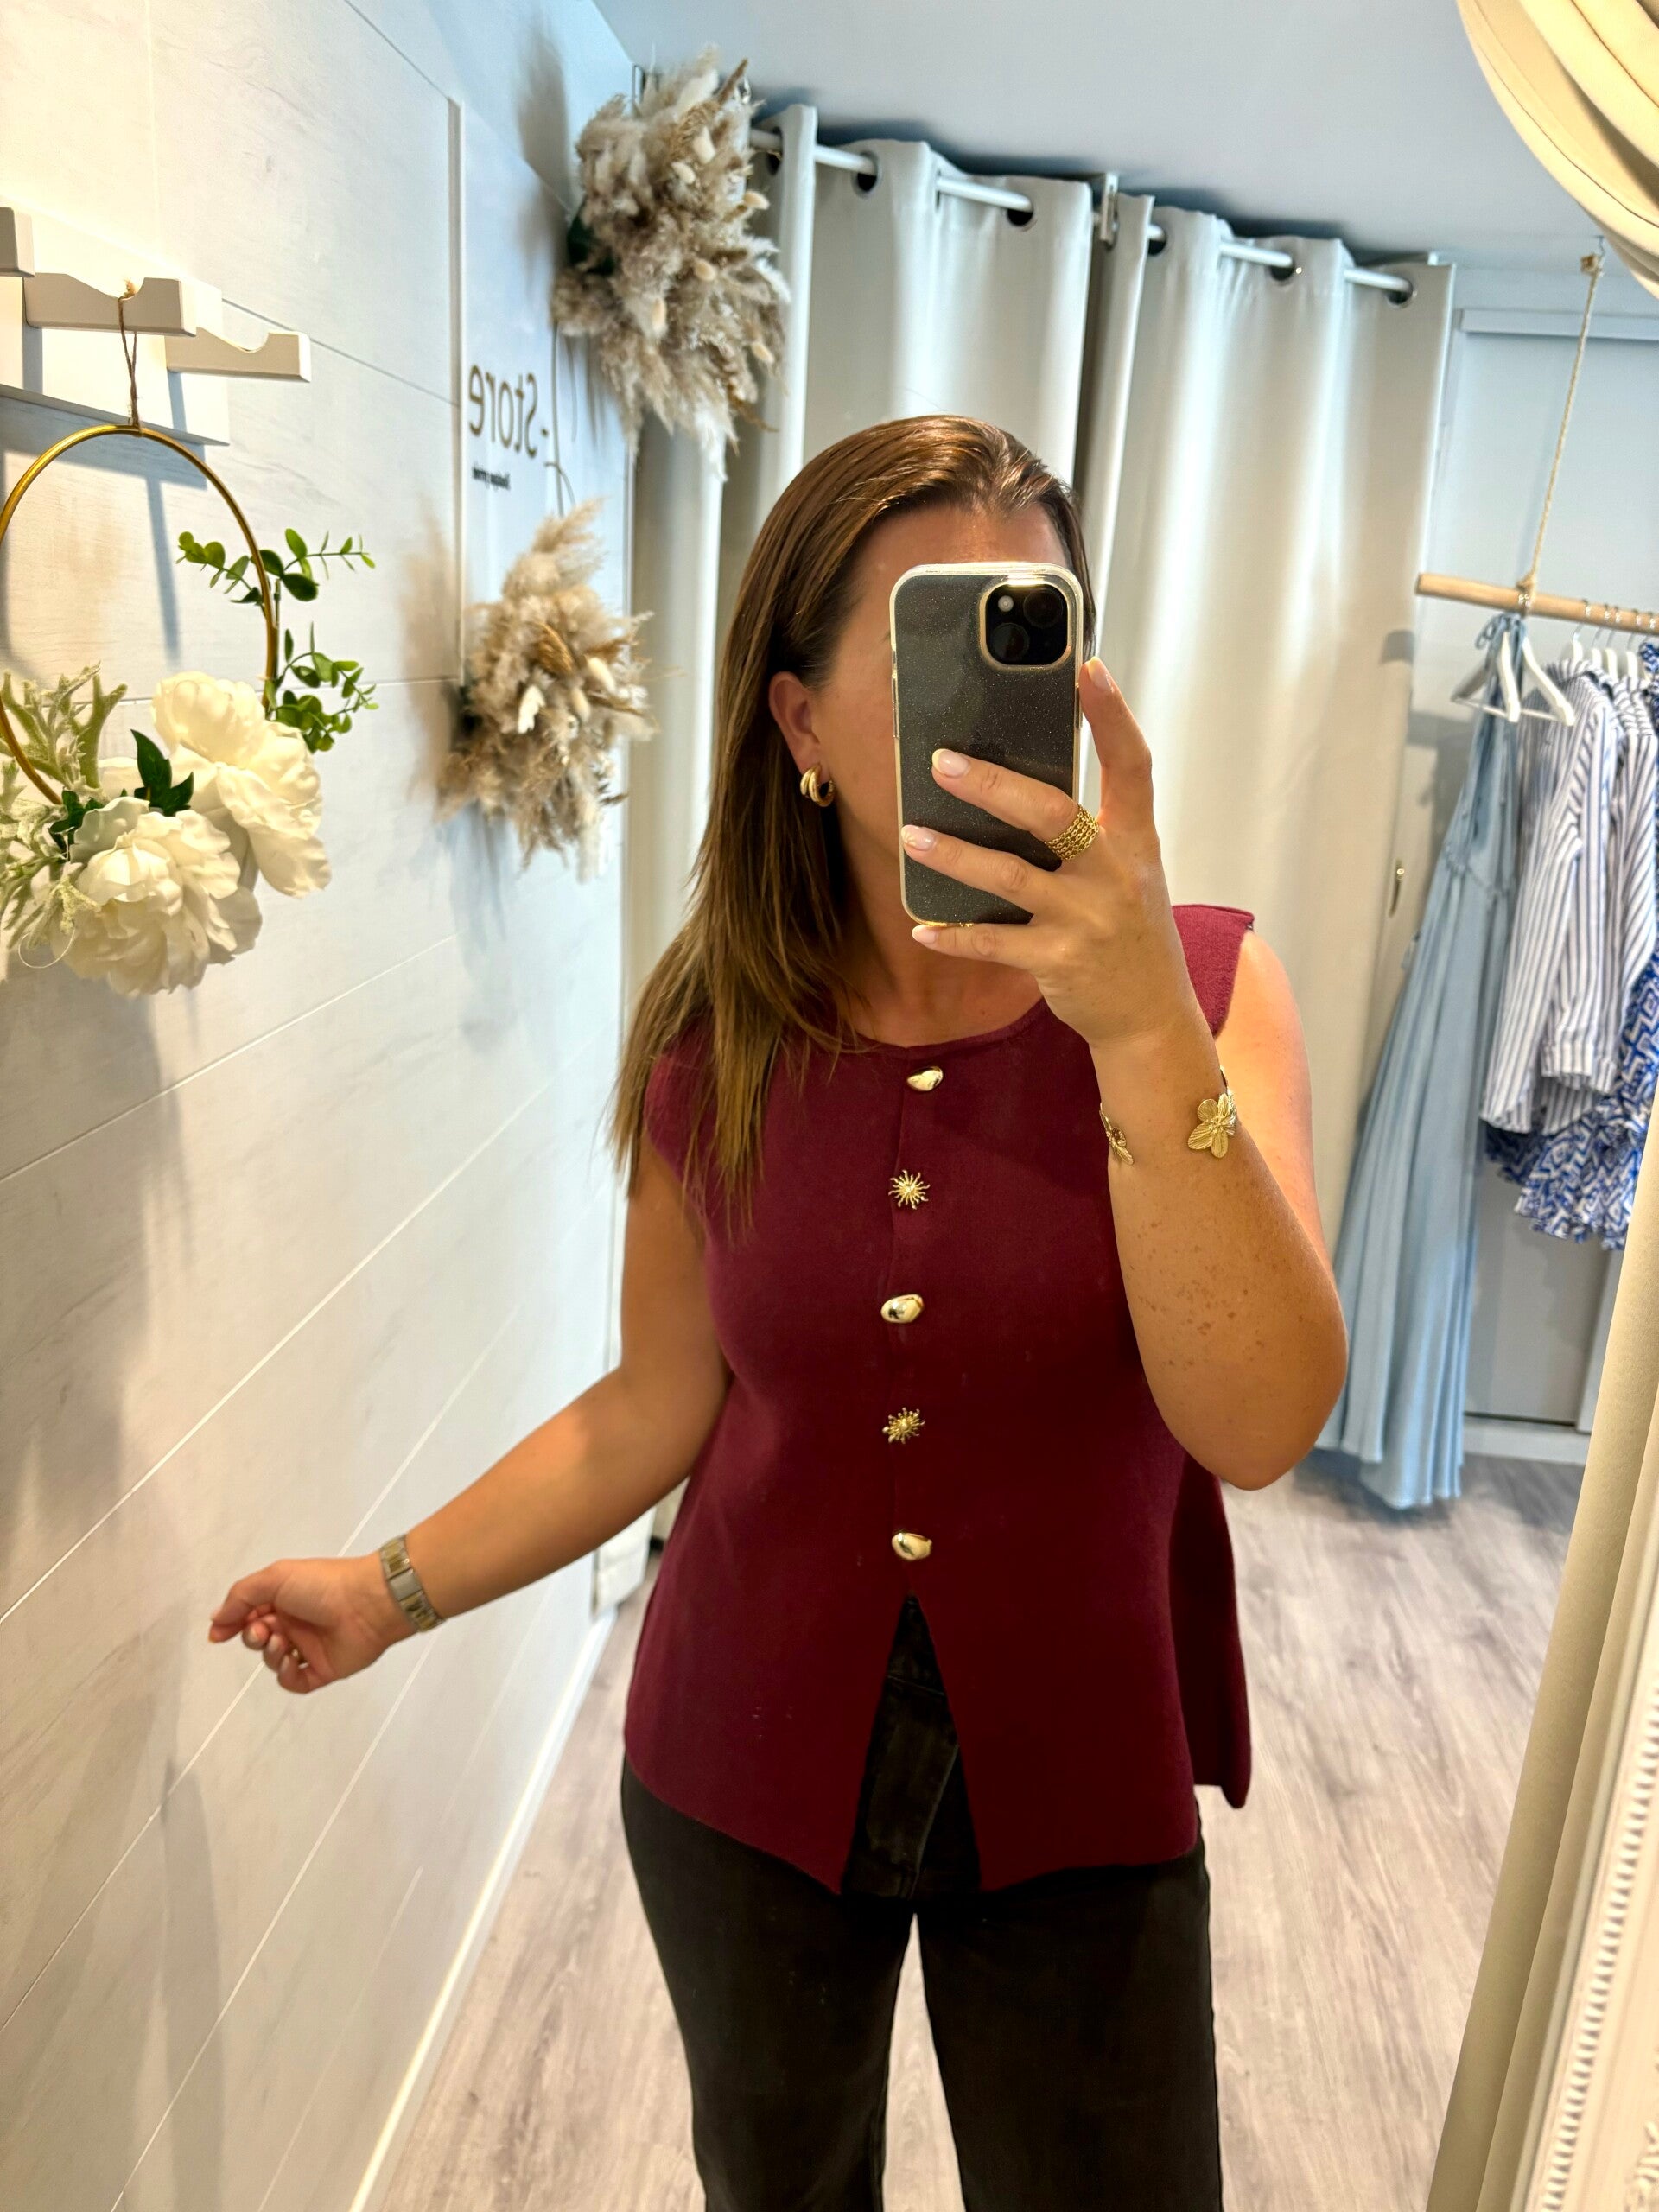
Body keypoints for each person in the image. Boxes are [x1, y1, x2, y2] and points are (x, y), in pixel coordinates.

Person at [210, 416, 1347, 2210]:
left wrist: (1138, 1025)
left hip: (1081, 1770)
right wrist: (389, 1587)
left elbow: (1261, 1423)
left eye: (1035, 631)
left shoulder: (1203, 984)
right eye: (936, 638)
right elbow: (654, 1405)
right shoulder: (717, 1033)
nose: (995, 699)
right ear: (802, 723)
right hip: (740, 1763)